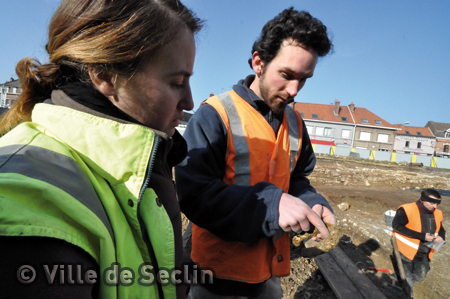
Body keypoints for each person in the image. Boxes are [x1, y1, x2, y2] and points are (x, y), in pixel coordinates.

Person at [0, 0, 202, 298]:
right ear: (105, 75)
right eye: (177, 82)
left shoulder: (138, 166)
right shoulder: (29, 200)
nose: (189, 102)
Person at [175, 8, 336, 298]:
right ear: (259, 62)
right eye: (286, 75)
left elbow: (297, 178)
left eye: (304, 79)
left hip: (269, 271)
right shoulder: (216, 114)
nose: (294, 90)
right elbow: (193, 193)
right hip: (217, 275)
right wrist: (272, 206)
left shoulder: (296, 123)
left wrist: (310, 201)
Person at [392, 189, 446, 298]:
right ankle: (406, 292)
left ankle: (398, 276)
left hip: (425, 251)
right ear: (422, 200)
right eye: (432, 203)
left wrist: (441, 236)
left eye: (437, 203)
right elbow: (397, 226)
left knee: (420, 276)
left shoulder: (438, 213)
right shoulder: (407, 209)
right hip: (405, 250)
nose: (435, 206)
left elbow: (441, 228)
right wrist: (422, 236)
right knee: (408, 282)